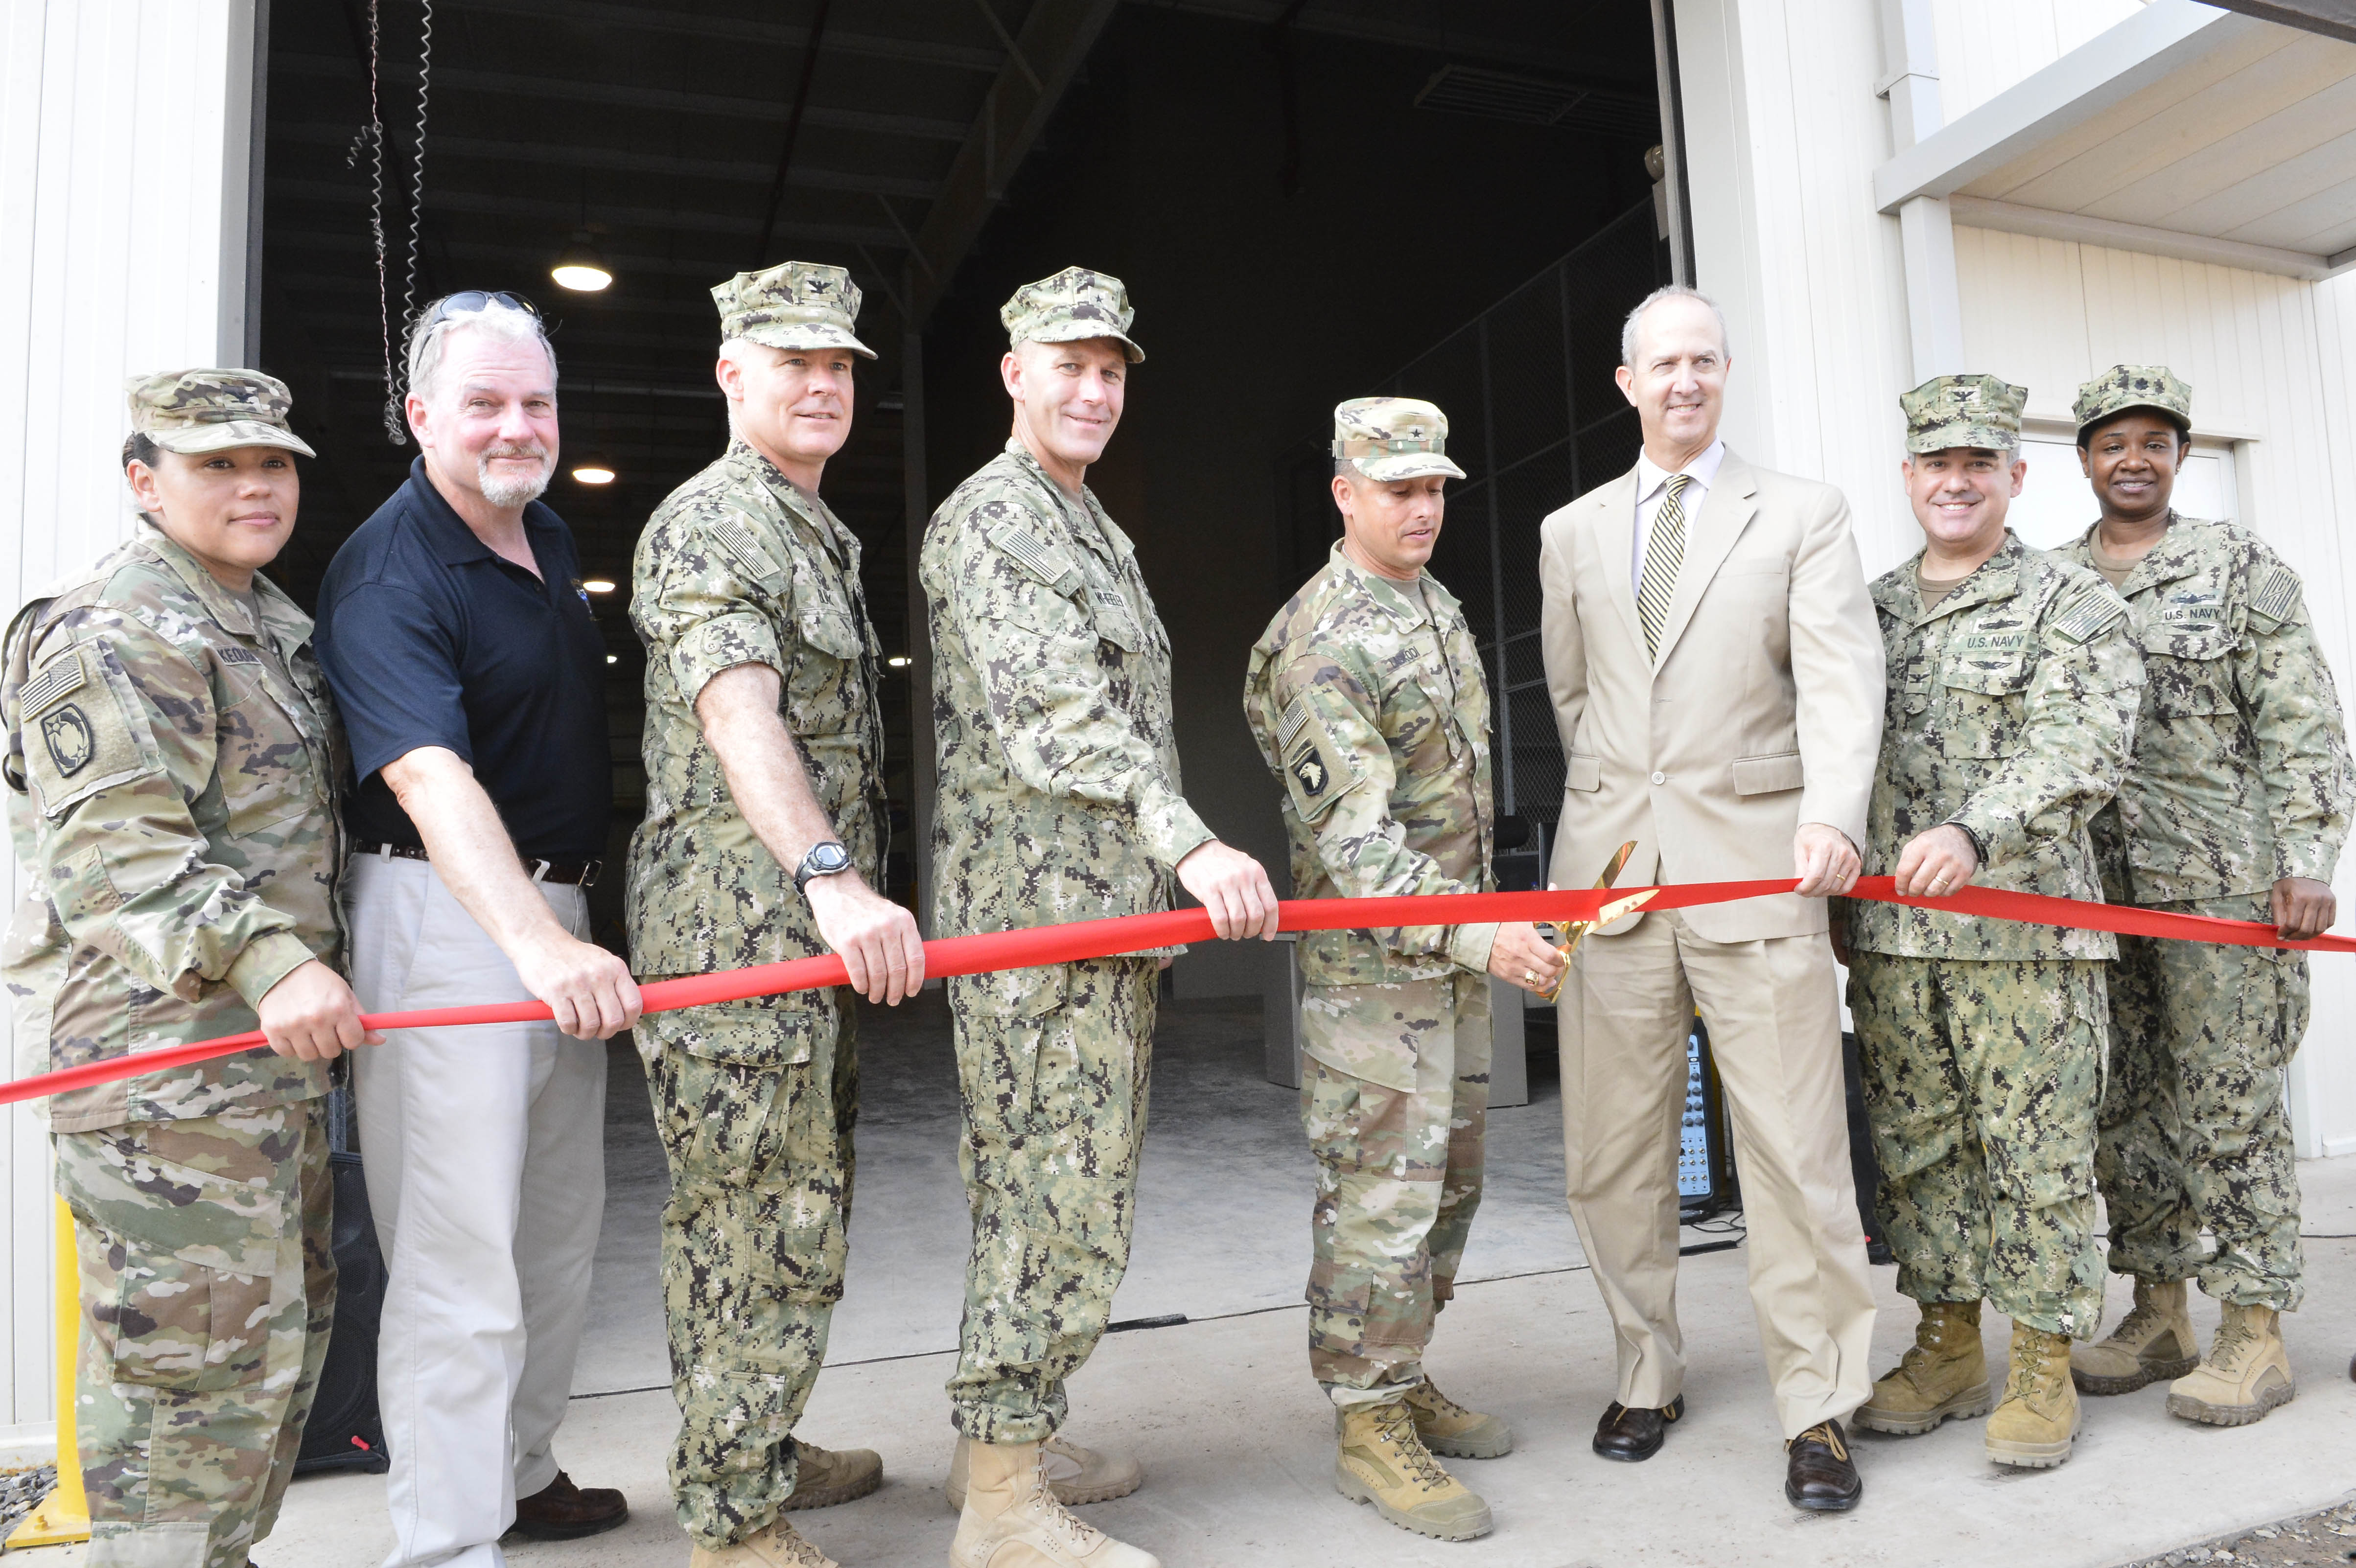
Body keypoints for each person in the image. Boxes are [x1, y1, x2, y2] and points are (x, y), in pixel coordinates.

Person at [919, 266, 1279, 1568]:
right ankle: (1003, 1505)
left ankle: (1001, 1440)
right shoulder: (996, 519)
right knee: (1045, 1195)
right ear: (1011, 371)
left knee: (1063, 1184)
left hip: (1095, 921)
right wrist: (1188, 838)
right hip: (1038, 928)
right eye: (1066, 363)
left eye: (1111, 369)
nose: (1090, 388)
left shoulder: (1086, 523)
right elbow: (1059, 716)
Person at [2, 369, 365, 1568]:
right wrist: (275, 965)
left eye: (272, 463)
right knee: (184, 1385)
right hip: (165, 1075)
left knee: (258, 1368)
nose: (255, 485)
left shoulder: (259, 620)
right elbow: (118, 857)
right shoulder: (112, 629)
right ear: (143, 483)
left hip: (259, 1071)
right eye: (216, 466)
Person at [1535, 283, 1884, 1511]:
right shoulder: (1571, 530)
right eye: (1660, 364)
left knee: (1795, 1156)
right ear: (1624, 384)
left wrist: (1831, 813)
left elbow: (1840, 683)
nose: (1683, 381)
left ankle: (1819, 1406)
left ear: (1724, 375)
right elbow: (1578, 706)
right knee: (1611, 1156)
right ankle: (1646, 1372)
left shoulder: (1801, 513)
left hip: (1758, 875)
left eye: (1703, 360)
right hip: (1614, 892)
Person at [314, 293, 642, 1568]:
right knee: (457, 1257)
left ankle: (519, 1469)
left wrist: (569, 929)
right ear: (420, 417)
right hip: (446, 915)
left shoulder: (542, 531)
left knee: (554, 1230)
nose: (517, 426)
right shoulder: (392, 567)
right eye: (485, 404)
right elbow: (429, 780)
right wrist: (537, 943)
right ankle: (447, 1544)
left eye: (536, 402)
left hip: (553, 912)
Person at [630, 261, 924, 1568]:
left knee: (799, 1196)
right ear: (728, 373)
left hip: (791, 941)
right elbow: (736, 709)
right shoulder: (711, 522)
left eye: (841, 364)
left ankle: (758, 1432)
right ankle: (732, 1513)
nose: (823, 382)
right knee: (751, 1212)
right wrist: (828, 872)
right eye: (792, 359)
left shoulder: (812, 526)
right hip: (737, 930)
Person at [1243, 397, 1568, 1543]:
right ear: (1345, 493)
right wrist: (1487, 936)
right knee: (1381, 1199)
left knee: (1450, 1187)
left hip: (1450, 969)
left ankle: (1405, 1365)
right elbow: (1360, 849)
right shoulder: (1322, 640)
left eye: (1434, 489)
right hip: (1373, 979)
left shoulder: (1430, 607)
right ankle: (1366, 1415)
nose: (1423, 508)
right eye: (1398, 490)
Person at [1844, 374, 2143, 1470]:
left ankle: (2043, 1363)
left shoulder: (2071, 605)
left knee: (2038, 1156)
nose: (1956, 482)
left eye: (1979, 464)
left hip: (2027, 942)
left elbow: (2082, 747)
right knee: (1920, 1153)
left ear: (2016, 478)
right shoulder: (1866, 611)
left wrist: (1975, 829)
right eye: (1936, 464)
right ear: (1910, 477)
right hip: (1892, 946)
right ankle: (1947, 1342)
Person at [2054, 365, 2353, 1426]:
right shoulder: (2054, 582)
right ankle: (2159, 1310)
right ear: (2081, 457)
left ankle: (2254, 1326)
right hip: (2092, 899)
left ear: (2179, 455)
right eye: (2110, 442)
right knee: (2125, 1108)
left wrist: (2309, 855)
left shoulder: (2237, 566)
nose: (2131, 459)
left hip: (2221, 893)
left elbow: (2302, 722)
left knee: (2229, 1111)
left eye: (2152, 440)